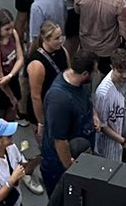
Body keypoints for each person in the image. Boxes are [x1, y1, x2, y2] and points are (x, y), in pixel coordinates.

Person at [40, 48, 95, 195]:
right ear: (84, 74)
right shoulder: (59, 100)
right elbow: (59, 140)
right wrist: (70, 168)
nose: (94, 75)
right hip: (59, 165)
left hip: (80, 152)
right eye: (93, 72)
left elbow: (87, 101)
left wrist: (94, 115)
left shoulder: (79, 84)